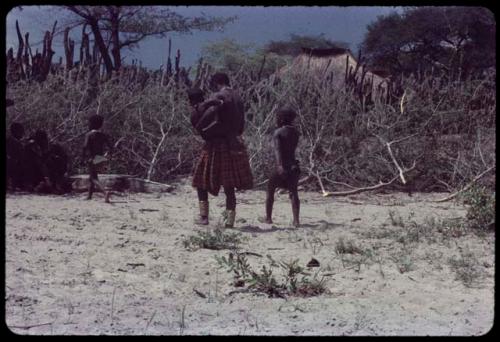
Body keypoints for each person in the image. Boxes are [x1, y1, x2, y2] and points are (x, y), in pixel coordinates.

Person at [190, 73, 253, 227]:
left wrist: (200, 126)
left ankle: (204, 217)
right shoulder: (238, 97)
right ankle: (229, 222)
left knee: (200, 180)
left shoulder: (219, 95)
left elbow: (212, 111)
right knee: (229, 185)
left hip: (217, 144)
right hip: (234, 143)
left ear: (216, 82)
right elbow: (241, 125)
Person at [265, 107, 301, 227]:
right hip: (293, 166)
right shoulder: (296, 133)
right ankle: (296, 220)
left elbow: (278, 150)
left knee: (270, 190)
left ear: (281, 118)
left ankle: (268, 218)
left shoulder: (278, 133)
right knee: (294, 193)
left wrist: (280, 166)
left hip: (282, 165)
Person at [82, 114, 113, 203]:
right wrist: (107, 155)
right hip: (100, 158)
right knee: (93, 176)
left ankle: (105, 192)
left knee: (93, 178)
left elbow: (85, 146)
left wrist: (83, 157)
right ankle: (89, 196)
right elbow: (111, 147)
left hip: (92, 158)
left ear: (91, 124)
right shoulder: (103, 135)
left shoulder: (89, 135)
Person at [6, 122, 26, 191]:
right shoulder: (16, 143)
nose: (22, 134)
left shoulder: (9, 140)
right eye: (21, 132)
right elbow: (21, 158)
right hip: (13, 167)